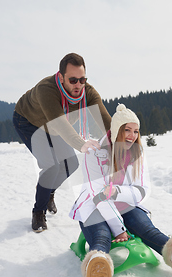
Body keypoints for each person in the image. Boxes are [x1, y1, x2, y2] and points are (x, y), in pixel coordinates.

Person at [70, 103, 172, 277]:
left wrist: (118, 191)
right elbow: (97, 196)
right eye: (127, 130)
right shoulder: (94, 153)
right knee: (102, 237)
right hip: (94, 206)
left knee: (148, 229)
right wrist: (119, 229)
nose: (132, 135)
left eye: (136, 131)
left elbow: (141, 191)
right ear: (115, 131)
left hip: (123, 203)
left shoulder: (136, 152)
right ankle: (98, 272)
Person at [13, 53, 112, 232]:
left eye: (82, 79)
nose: (78, 85)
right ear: (61, 77)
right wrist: (82, 144)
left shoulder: (87, 92)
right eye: (73, 80)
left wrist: (122, 141)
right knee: (51, 167)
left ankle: (48, 191)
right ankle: (38, 212)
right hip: (29, 122)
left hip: (56, 126)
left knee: (71, 163)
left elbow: (105, 119)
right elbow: (59, 123)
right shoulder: (47, 89)